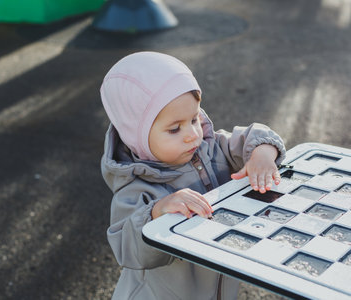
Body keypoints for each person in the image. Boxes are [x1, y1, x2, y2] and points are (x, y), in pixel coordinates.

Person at [100, 51, 286, 299]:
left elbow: (254, 136)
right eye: (175, 128)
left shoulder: (211, 149)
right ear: (136, 135)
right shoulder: (136, 186)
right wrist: (157, 212)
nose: (192, 135)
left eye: (195, 119)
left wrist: (262, 153)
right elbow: (127, 249)